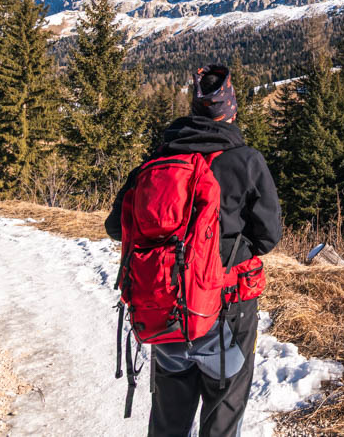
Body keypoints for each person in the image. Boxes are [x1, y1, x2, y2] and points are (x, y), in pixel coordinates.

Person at [105, 64, 282, 436]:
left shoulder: (157, 161)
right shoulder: (246, 161)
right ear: (231, 109)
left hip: (166, 310)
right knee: (222, 416)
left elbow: (114, 227)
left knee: (168, 421)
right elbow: (268, 237)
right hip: (228, 311)